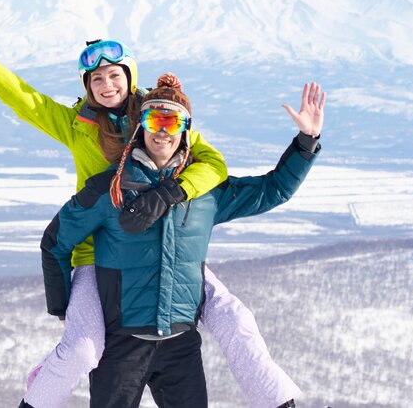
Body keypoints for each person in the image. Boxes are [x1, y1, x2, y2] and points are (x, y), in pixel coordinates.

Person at [0, 10, 302, 408]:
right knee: (80, 351)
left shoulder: (161, 115)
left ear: (130, 76)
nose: (107, 85)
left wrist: (173, 192)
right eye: (97, 79)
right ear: (87, 86)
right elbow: (25, 99)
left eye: (115, 75)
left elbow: (213, 165)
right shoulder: (77, 126)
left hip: (168, 249)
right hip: (99, 255)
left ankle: (280, 400)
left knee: (236, 320)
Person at [43, 73, 323, 408]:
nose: (162, 130)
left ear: (185, 129)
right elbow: (56, 242)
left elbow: (274, 189)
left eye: (172, 121)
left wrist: (307, 140)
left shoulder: (205, 196)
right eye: (153, 118)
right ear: (140, 126)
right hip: (120, 348)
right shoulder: (110, 190)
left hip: (180, 347)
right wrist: (63, 305)